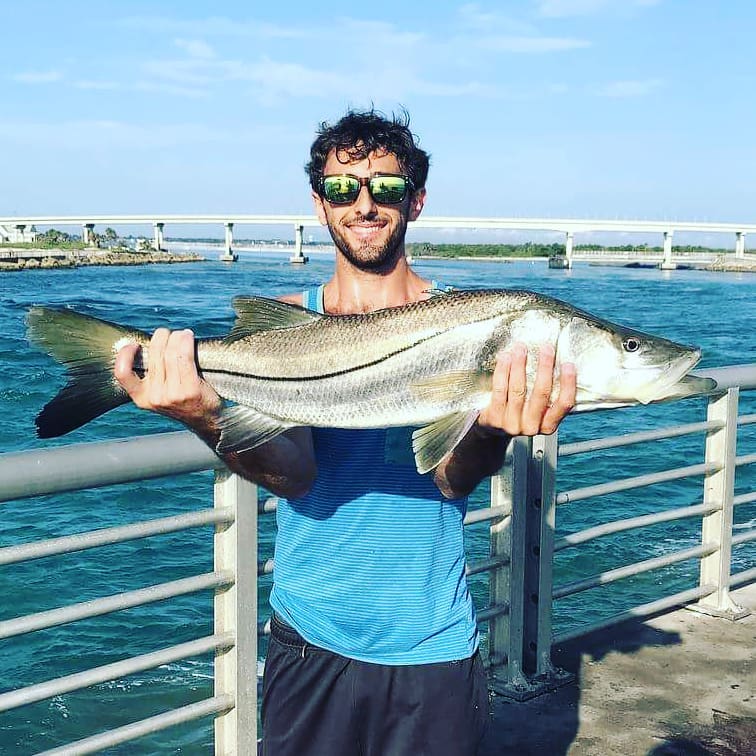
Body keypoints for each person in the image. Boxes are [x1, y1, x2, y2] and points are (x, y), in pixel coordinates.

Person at [114, 109, 577, 756]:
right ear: (319, 202)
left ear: (415, 200)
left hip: (432, 647)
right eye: (342, 188)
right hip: (310, 643)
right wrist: (204, 414)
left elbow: (449, 479)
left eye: (386, 188)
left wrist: (496, 429)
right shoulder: (286, 326)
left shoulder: (474, 326)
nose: (364, 204)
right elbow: (295, 475)